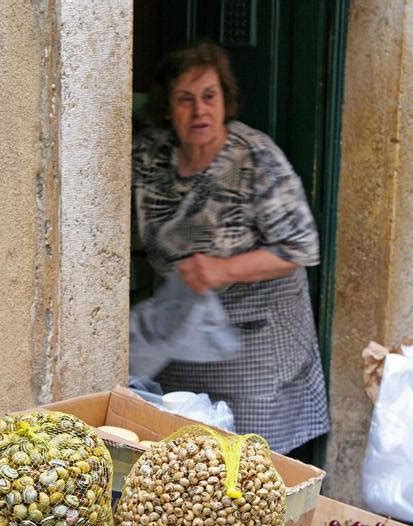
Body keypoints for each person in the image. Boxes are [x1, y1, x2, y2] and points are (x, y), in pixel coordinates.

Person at [131, 41, 330, 454]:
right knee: (188, 445)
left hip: (256, 338)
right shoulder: (149, 156)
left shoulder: (255, 157)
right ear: (168, 108)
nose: (199, 110)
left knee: (251, 457)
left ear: (225, 102)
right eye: (185, 99)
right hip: (186, 329)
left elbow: (301, 246)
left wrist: (224, 269)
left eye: (209, 96)